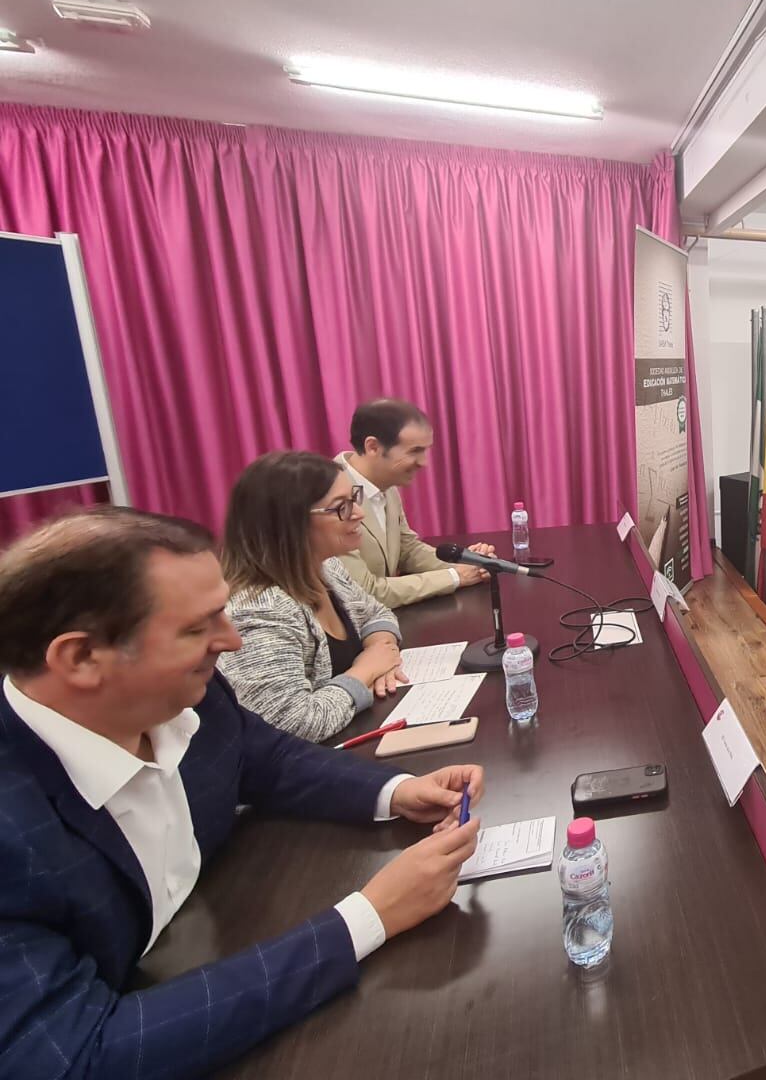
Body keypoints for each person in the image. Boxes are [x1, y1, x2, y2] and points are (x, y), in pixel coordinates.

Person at [0, 507, 484, 1077]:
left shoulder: (189, 696)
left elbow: (264, 758)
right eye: (196, 628)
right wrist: (368, 917)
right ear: (80, 658)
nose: (231, 641)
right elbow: (80, 1055)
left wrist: (397, 790)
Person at [220, 452, 410, 742]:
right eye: (341, 507)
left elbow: (374, 611)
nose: (359, 513)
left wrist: (381, 647)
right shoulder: (258, 610)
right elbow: (292, 724)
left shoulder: (327, 566)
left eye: (354, 498)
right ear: (288, 522)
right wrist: (365, 671)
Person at [336, 399, 493, 607]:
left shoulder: (386, 483)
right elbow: (363, 591)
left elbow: (406, 549)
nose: (424, 462)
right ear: (373, 447)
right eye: (414, 451)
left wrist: (470, 563)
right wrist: (455, 577)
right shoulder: (327, 496)